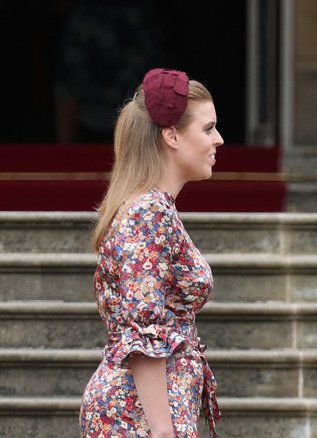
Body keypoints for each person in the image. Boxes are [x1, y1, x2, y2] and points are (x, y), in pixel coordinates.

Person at [79, 68, 224, 438]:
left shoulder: (156, 209)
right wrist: (162, 430)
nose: (219, 140)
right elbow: (142, 331)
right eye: (207, 129)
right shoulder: (148, 213)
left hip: (148, 410)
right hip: (138, 416)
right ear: (172, 136)